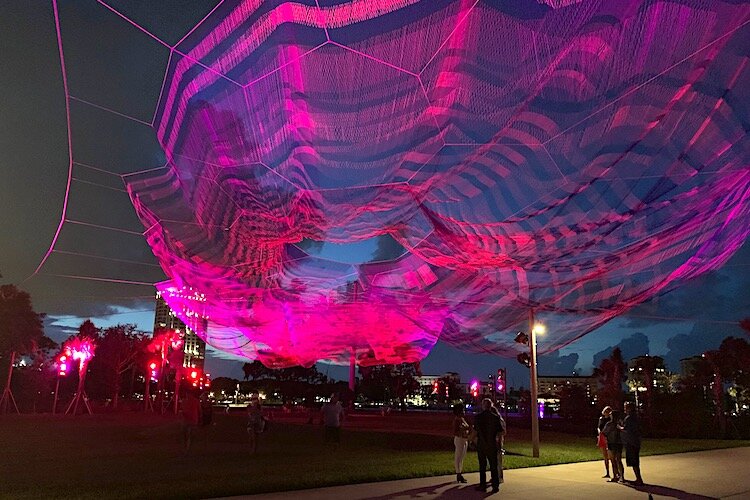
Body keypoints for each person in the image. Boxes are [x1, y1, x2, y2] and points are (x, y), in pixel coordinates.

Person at [474, 398, 505, 493]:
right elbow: (501, 431)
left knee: (482, 466)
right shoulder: (495, 417)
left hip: (482, 444)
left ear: (483, 406)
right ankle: (495, 486)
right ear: (491, 406)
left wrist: (472, 440)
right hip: (492, 444)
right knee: (493, 466)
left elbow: (475, 431)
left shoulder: (478, 417)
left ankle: (482, 485)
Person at [622, 402, 644, 485]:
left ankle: (639, 479)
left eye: (626, 407)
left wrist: (620, 428)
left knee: (634, 461)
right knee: (635, 460)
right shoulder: (636, 417)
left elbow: (626, 429)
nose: (624, 409)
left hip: (631, 442)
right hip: (636, 441)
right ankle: (638, 478)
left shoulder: (629, 418)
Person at [602, 410, 624, 483]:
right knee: (618, 460)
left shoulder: (609, 424)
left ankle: (616, 476)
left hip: (612, 443)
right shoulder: (620, 423)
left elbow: (604, 433)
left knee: (614, 460)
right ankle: (621, 476)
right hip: (618, 443)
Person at [452, 403, 471, 483]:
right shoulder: (457, 420)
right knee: (458, 457)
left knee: (461, 457)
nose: (464, 411)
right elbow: (455, 432)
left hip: (464, 440)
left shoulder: (462, 419)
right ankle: (458, 474)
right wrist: (464, 429)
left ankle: (460, 472)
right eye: (462, 410)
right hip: (459, 439)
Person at [181, 387, 201, 453]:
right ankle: (188, 447)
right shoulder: (196, 401)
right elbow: (199, 411)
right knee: (190, 435)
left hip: (186, 420)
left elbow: (182, 410)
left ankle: (186, 447)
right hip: (193, 419)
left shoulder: (184, 401)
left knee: (186, 435)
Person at [597, 406, 613, 478]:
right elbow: (599, 427)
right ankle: (607, 472)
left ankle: (616, 473)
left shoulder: (611, 420)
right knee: (605, 456)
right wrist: (600, 432)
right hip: (602, 436)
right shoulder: (601, 419)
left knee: (611, 456)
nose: (606, 413)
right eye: (605, 411)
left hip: (609, 437)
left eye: (608, 411)